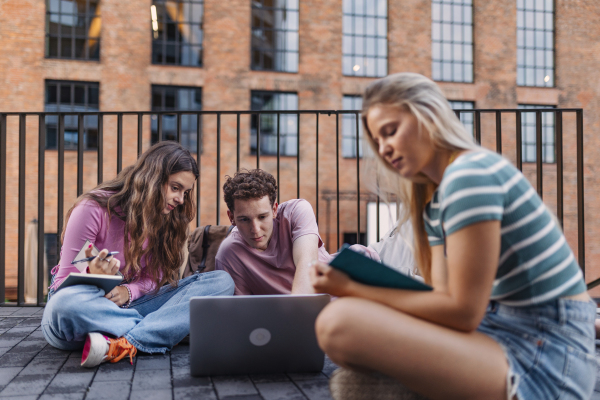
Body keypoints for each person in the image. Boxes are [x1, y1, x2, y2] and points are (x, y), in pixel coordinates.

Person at [310, 73, 596, 400]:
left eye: (390, 131)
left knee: (339, 324)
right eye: (377, 142)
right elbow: (445, 303)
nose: (384, 148)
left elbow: (462, 312)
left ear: (428, 116)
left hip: (547, 351)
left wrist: (354, 289)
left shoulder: (469, 174)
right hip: (499, 331)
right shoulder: (433, 203)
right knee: (350, 362)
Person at [42, 141, 235, 368]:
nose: (181, 199)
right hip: (85, 312)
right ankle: (160, 329)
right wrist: (92, 274)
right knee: (64, 304)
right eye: (175, 188)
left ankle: (125, 342)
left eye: (185, 192)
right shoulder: (92, 209)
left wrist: (128, 291)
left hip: (130, 306)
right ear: (152, 178)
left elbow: (154, 278)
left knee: (221, 281)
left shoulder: (167, 221)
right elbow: (61, 287)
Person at [215, 169, 330, 295]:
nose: (255, 229)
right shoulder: (229, 254)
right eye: (244, 219)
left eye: (262, 217)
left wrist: (297, 310)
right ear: (231, 218)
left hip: (338, 291)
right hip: (288, 312)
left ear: (274, 210)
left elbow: (307, 263)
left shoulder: (296, 212)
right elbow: (244, 309)